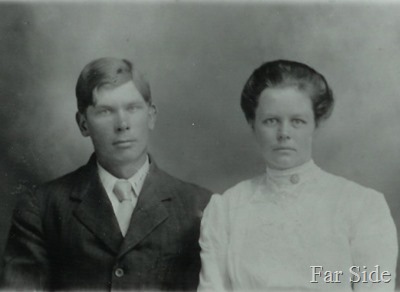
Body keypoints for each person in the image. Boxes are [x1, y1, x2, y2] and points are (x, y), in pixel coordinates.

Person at [1, 57, 211, 291]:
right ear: (83, 124)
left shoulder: (201, 206)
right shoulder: (41, 208)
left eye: (132, 108)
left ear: (151, 116)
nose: (122, 124)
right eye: (105, 111)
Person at [198, 60, 397, 291]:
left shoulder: (362, 206)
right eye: (271, 121)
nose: (284, 133)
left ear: (316, 123)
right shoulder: (226, 210)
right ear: (253, 124)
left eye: (297, 121)